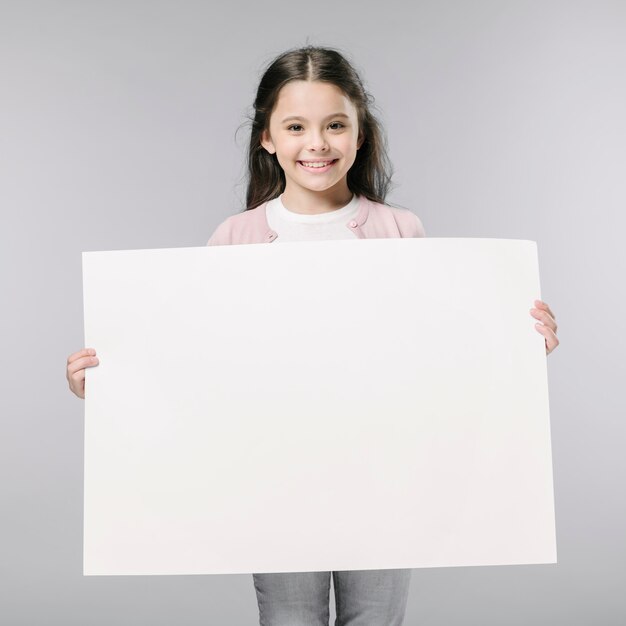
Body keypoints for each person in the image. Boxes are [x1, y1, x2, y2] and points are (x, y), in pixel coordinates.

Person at [66, 45, 560, 626]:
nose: (317, 144)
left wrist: (520, 346)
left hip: (387, 477)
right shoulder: (236, 237)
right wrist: (109, 385)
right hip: (274, 481)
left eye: (335, 125)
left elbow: (439, 360)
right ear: (268, 138)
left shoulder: (400, 231)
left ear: (359, 135)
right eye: (296, 127)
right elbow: (196, 369)